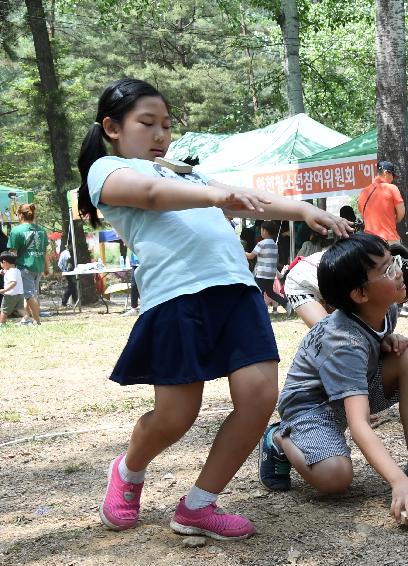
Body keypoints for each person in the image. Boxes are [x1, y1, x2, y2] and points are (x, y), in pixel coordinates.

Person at [78, 78, 351, 540]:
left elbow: (250, 199)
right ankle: (128, 470)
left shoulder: (187, 173)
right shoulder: (107, 169)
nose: (161, 134)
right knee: (175, 417)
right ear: (112, 128)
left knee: (260, 397)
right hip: (176, 299)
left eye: (166, 124)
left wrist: (304, 210)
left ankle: (199, 505)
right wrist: (216, 196)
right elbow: (148, 196)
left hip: (237, 293)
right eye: (147, 123)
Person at [257, 233, 408, 521]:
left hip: (349, 390)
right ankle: (279, 438)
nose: (398, 272)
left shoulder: (387, 309)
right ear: (360, 294)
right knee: (336, 477)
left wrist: (386, 340)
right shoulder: (343, 342)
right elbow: (358, 424)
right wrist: (396, 481)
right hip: (309, 409)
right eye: (386, 271)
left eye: (393, 262)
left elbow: (372, 342)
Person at [7, 204, 47, 325]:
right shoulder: (41, 230)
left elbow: (12, 253)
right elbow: (44, 251)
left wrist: (9, 268)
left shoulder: (16, 231)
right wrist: (46, 267)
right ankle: (26, 318)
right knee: (30, 293)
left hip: (25, 266)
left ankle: (37, 321)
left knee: (29, 295)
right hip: (38, 266)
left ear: (20, 215)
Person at [358, 160, 405, 244]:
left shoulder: (363, 192)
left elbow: (363, 217)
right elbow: (401, 213)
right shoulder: (392, 188)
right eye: (393, 175)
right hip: (388, 239)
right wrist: (393, 220)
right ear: (386, 172)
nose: (393, 178)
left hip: (369, 241)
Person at [246, 221, 286, 310]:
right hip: (271, 274)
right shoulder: (275, 245)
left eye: (261, 229)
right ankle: (286, 304)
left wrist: (241, 251)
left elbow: (251, 256)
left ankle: (259, 310)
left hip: (261, 273)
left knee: (258, 292)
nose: (260, 231)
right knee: (270, 292)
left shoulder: (261, 243)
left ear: (265, 231)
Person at [0, 252, 26, 324]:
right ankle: (28, 319)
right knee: (20, 309)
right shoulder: (16, 270)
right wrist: (4, 272)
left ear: (4, 262)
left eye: (1, 263)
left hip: (10, 295)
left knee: (4, 310)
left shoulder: (10, 272)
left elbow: (13, 282)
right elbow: (12, 275)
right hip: (19, 294)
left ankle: (1, 323)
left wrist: (4, 290)